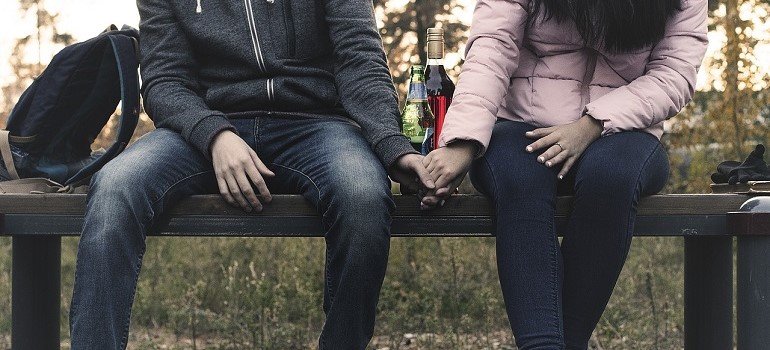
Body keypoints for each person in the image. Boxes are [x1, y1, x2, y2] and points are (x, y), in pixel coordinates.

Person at [68, 0, 434, 349]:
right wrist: (215, 136)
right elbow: (164, 80)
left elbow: (361, 59)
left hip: (315, 124)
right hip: (204, 127)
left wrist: (392, 146)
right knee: (116, 185)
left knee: (363, 196)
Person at [421, 0, 707, 348]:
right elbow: (492, 48)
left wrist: (592, 123)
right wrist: (463, 142)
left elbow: (673, 73)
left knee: (613, 177)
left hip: (621, 130)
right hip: (522, 124)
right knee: (521, 180)